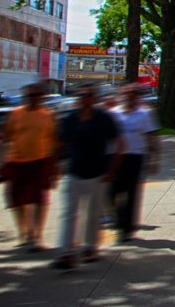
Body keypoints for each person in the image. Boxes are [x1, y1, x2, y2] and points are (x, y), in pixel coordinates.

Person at [52, 85, 121, 270]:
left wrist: (111, 169)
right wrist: (56, 165)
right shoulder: (70, 119)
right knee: (69, 214)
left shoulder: (103, 118)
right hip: (74, 172)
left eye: (89, 95)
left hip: (98, 174)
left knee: (93, 215)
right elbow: (59, 144)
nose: (85, 98)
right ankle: (66, 252)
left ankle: (90, 247)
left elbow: (118, 143)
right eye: (81, 95)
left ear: (94, 98)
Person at [0, 83, 58, 251]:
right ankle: (24, 232)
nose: (34, 98)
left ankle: (36, 235)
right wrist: (0, 161)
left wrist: (54, 166)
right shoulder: (15, 114)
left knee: (40, 200)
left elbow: (53, 141)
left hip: (40, 162)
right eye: (30, 96)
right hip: (16, 162)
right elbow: (4, 137)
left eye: (37, 95)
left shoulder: (48, 116)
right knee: (17, 201)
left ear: (42, 97)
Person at [110, 84, 158, 241]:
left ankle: (127, 228)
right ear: (122, 95)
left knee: (131, 194)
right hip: (116, 158)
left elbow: (151, 137)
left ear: (136, 96)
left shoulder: (143, 114)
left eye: (133, 93)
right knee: (112, 192)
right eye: (126, 93)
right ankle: (120, 218)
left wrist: (154, 158)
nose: (129, 96)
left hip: (136, 157)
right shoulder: (114, 113)